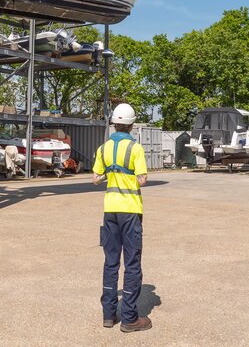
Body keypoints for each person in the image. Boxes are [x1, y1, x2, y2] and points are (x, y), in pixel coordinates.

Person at [92, 103, 152, 332]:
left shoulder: (103, 148)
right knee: (132, 263)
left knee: (111, 261)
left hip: (110, 210)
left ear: (114, 123)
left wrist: (112, 172)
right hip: (130, 211)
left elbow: (96, 178)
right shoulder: (135, 149)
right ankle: (129, 318)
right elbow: (142, 180)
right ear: (132, 125)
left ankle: (109, 315)